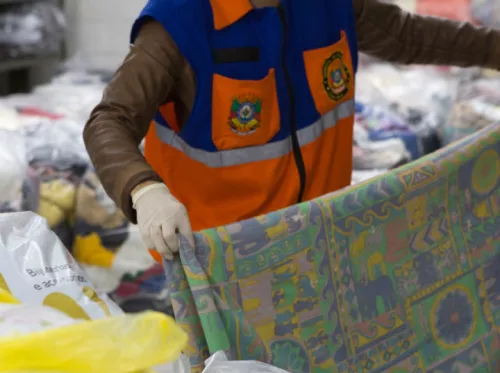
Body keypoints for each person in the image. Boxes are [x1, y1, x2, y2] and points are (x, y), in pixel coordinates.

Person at [84, 0, 500, 261]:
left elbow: (409, 37)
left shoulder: (327, 5)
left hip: (316, 245)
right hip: (216, 263)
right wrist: (143, 189)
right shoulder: (180, 23)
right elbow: (109, 120)